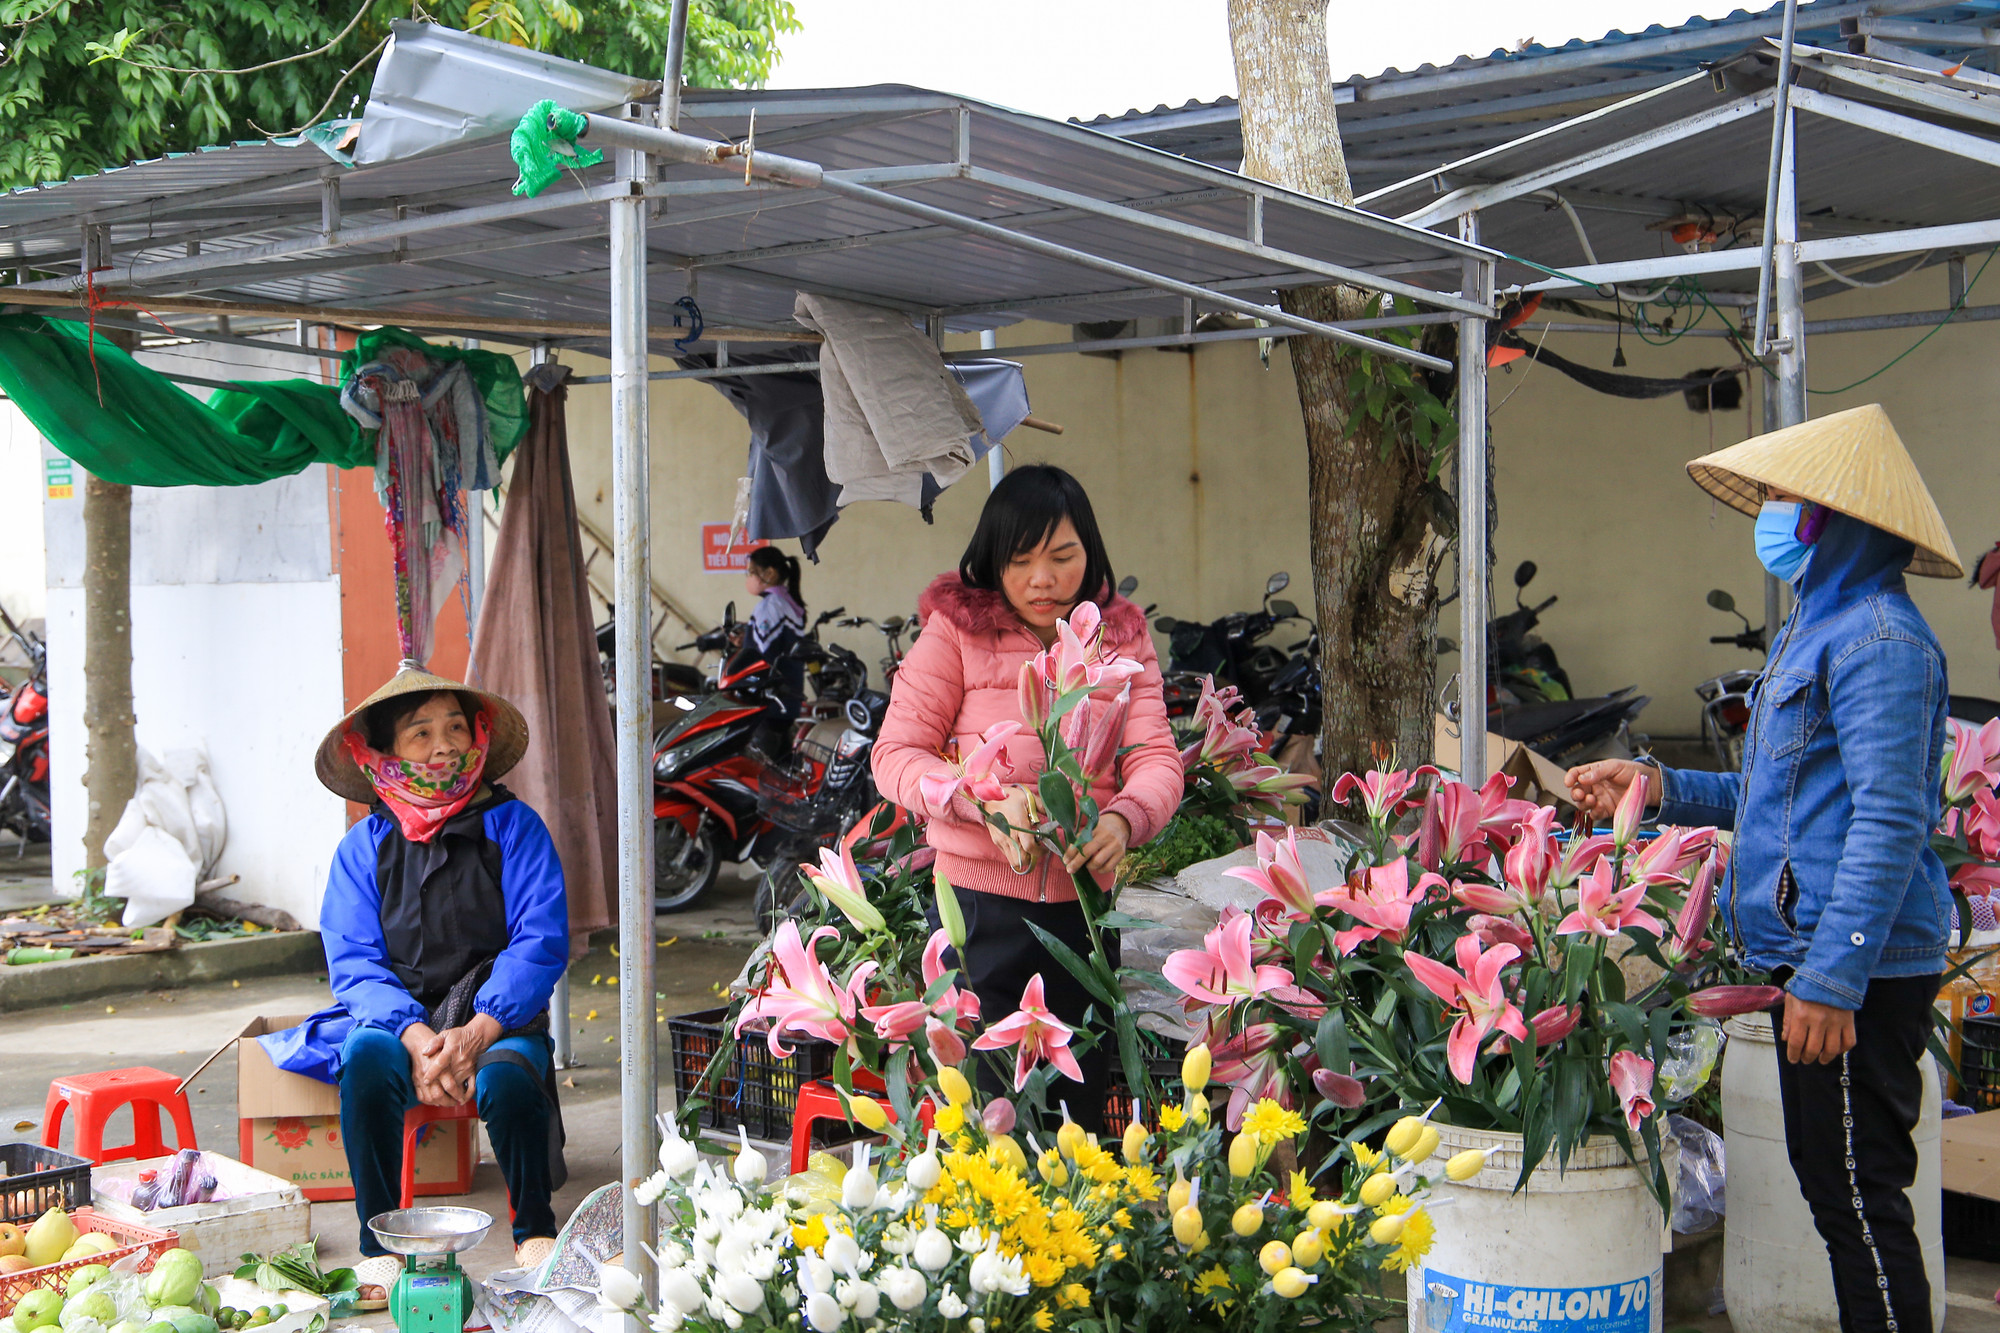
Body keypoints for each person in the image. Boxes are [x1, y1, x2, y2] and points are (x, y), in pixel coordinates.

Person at [1566, 404, 1958, 1333]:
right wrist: (1656, 787)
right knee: (1839, 1193)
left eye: (1786, 496)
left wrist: (1832, 975)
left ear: (1833, 516)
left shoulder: (1880, 641)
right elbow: (1775, 800)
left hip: (1855, 972)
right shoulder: (1817, 628)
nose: (1772, 513)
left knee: (1861, 1204)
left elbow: (1891, 820)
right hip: (1819, 962)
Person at [873, 465, 1183, 1131]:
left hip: (1084, 912)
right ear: (991, 558)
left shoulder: (1119, 637)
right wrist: (982, 800)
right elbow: (895, 756)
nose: (1043, 579)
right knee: (985, 1117)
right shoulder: (955, 633)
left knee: (1076, 1113)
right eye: (1021, 560)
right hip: (978, 915)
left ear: (1089, 553)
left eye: (1063, 557)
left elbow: (1156, 755)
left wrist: (1128, 818)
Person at [264, 663, 567, 1302]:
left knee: (510, 1080)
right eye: (420, 732)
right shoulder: (362, 847)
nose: (445, 745)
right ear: (385, 753)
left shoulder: (515, 828)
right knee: (365, 1062)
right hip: (400, 1023)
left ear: (478, 735)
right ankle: (379, 1246)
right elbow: (353, 961)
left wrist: (479, 1028)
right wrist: (417, 1035)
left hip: (501, 1017)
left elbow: (539, 941)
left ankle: (534, 1229)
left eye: (456, 726)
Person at [728, 545, 807, 757]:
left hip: (768, 701)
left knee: (762, 769)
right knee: (780, 766)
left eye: (752, 572)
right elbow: (775, 643)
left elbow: (761, 656)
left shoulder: (770, 606)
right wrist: (748, 640)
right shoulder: (788, 602)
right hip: (788, 700)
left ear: (770, 573)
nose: (749, 578)